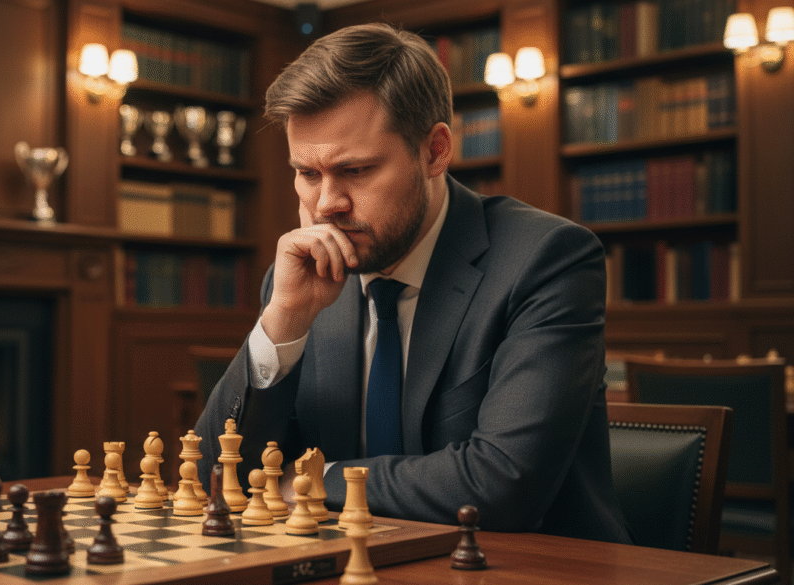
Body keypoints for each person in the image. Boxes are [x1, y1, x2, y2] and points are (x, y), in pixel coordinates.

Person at [194, 22, 632, 544]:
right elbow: (212, 476)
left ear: (435, 152)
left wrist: (316, 479)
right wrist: (283, 323)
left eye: (355, 170)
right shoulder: (300, 279)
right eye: (308, 174)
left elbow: (502, 485)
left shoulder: (546, 261)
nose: (327, 204)